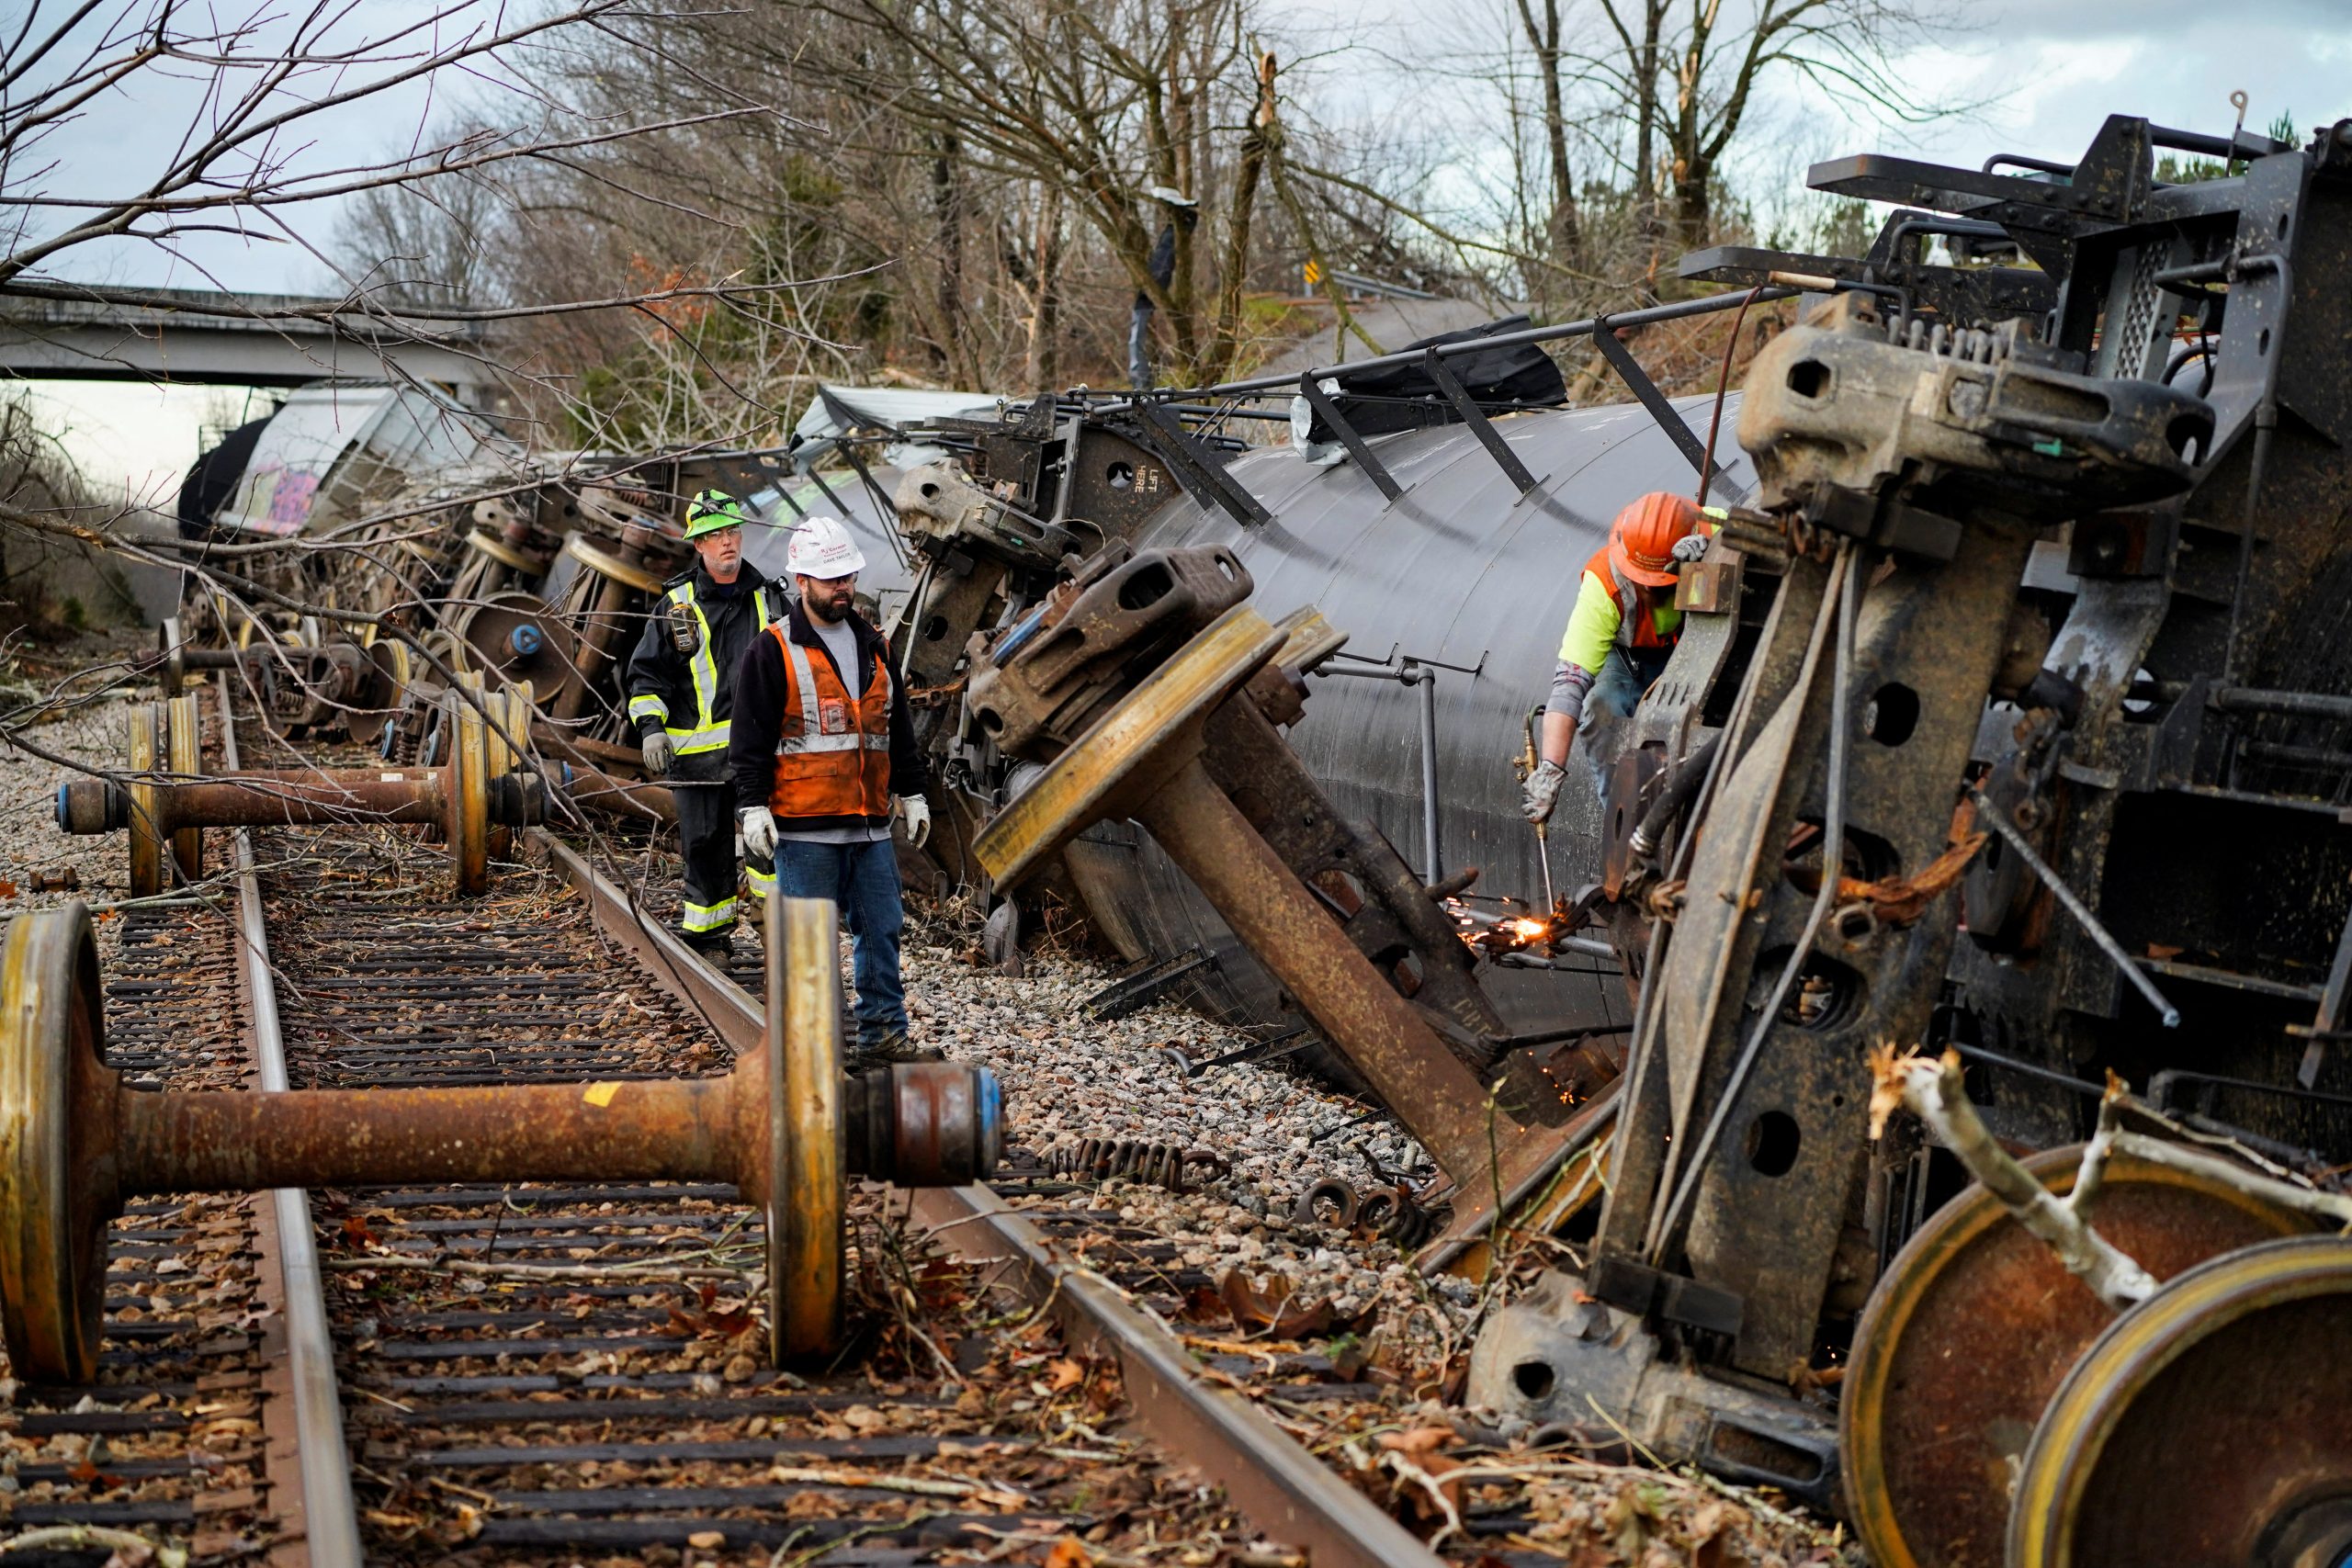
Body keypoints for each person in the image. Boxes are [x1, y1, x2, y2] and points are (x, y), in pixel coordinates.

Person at [728, 513, 935, 1067]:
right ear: (802, 582)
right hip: (805, 829)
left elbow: (897, 729)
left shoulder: (875, 646)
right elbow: (748, 739)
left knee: (881, 933)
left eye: (847, 576)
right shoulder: (773, 650)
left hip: (869, 824)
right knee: (810, 949)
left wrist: (911, 792)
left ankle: (884, 1038)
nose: (842, 587)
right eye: (830, 578)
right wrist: (751, 807)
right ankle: (813, 1054)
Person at [624, 490, 784, 953]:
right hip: (695, 761)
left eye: (732, 531)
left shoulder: (769, 601)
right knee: (704, 849)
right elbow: (646, 676)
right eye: (714, 536)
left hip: (759, 756)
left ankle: (776, 934)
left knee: (770, 845)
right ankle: (710, 942)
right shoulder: (677, 607)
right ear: (698, 545)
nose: (727, 543)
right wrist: (652, 729)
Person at [1521, 491, 1714, 823]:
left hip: (1701, 647)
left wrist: (1721, 554)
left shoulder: (1714, 527)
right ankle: (1624, 824)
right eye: (1643, 581)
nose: (1651, 590)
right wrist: (1551, 770)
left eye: (1660, 582)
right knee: (1601, 707)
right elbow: (1569, 683)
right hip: (1629, 657)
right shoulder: (1605, 582)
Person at [1127, 186, 1197, 390]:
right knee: (1160, 266)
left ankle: (1183, 217)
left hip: (1144, 305)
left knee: (1160, 266)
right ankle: (1183, 218)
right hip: (1144, 307)